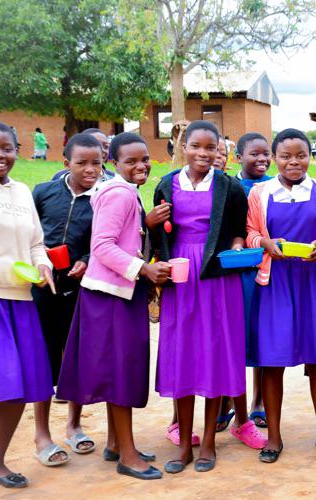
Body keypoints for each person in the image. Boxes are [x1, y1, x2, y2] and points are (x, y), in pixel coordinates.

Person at [57, 132, 172, 480]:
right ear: (115, 164)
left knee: (119, 371)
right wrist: (144, 269)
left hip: (117, 293)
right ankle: (128, 454)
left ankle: (115, 444)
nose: (141, 165)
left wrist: (144, 226)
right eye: (131, 161)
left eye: (145, 158)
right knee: (120, 373)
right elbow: (103, 246)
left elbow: (125, 237)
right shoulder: (119, 193)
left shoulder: (126, 193)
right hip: (109, 296)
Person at [151, 120, 263, 474]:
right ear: (183, 147)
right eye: (196, 146)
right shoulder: (166, 185)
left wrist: (236, 245)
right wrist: (152, 224)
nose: (203, 153)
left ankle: (209, 444)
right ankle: (185, 443)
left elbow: (239, 232)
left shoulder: (229, 187)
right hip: (182, 276)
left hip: (217, 277)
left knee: (215, 352)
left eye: (210, 147)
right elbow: (158, 238)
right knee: (183, 353)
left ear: (219, 150)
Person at [246, 128, 316, 463]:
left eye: (300, 155)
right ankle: (273, 438)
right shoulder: (260, 192)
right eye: (286, 156)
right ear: (275, 158)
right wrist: (265, 244)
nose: (294, 161)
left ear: (309, 156)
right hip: (275, 284)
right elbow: (251, 234)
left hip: (313, 281)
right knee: (272, 363)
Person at [0, 121, 55, 490]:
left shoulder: (23, 192)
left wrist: (43, 265)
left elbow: (36, 243)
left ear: (17, 151)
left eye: (6, 149)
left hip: (21, 299)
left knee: (19, 387)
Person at [31, 133, 104, 468]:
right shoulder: (44, 192)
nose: (90, 170)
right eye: (81, 163)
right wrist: (37, 256)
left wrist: (87, 258)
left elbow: (106, 238)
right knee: (44, 359)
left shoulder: (104, 197)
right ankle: (42, 434)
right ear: (65, 163)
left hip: (81, 290)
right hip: (41, 289)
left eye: (96, 163)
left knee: (76, 357)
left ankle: (74, 425)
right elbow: (29, 233)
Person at [223, 132, 273, 431]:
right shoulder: (229, 187)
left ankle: (259, 401)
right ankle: (230, 400)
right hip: (234, 272)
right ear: (238, 158)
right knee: (233, 336)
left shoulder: (274, 189)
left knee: (262, 335)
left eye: (266, 153)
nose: (262, 159)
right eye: (254, 153)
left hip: (265, 271)